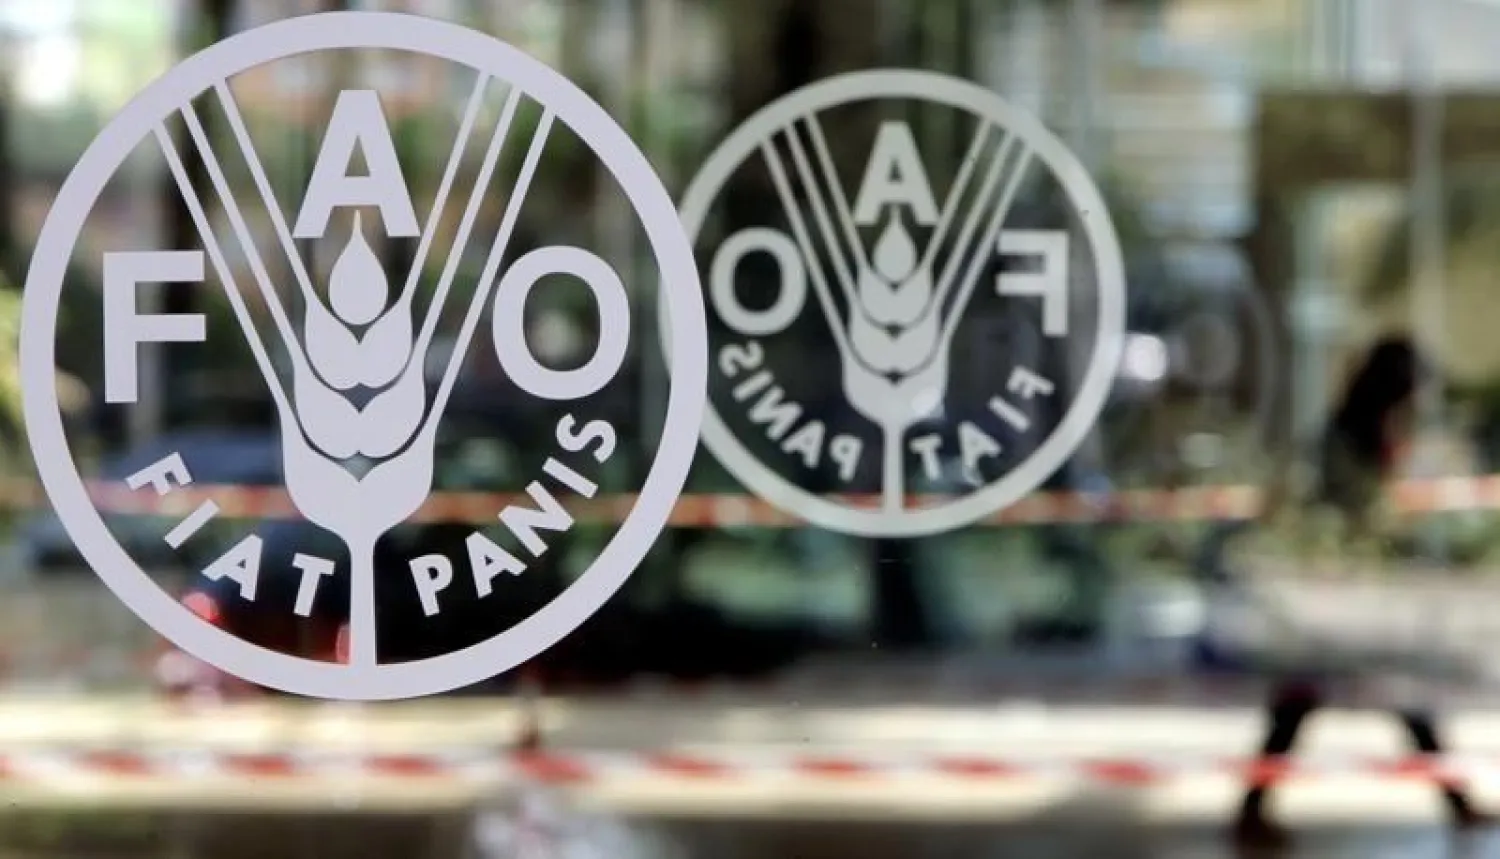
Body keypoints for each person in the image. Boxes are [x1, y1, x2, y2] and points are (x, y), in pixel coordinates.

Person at [1231, 335, 1489, 845]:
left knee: (1374, 703)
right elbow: (1342, 516)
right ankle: (1252, 808)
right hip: (1334, 594)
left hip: (1350, 591)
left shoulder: (1363, 434)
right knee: (1312, 704)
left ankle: (1455, 799)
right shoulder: (1348, 439)